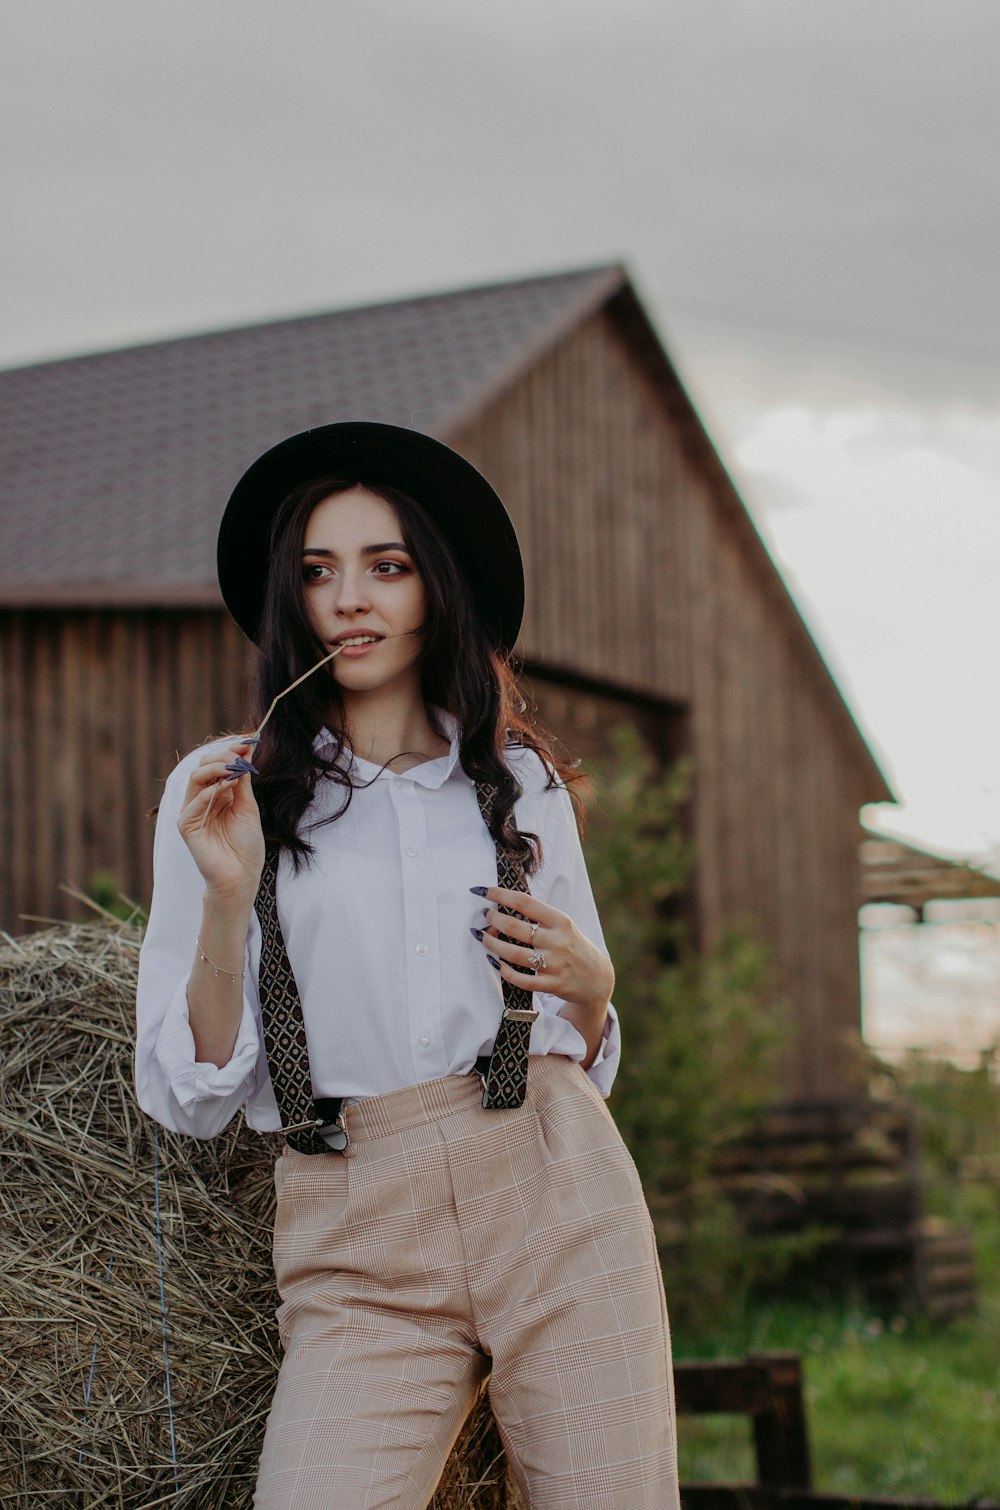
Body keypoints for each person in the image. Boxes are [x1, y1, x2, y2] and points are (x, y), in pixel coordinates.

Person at [135, 423, 679, 1510]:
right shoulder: (223, 788)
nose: (351, 599)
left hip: (554, 1182)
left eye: (386, 566)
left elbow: (581, 1040)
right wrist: (228, 895)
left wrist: (595, 981)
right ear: (291, 600)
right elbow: (191, 1094)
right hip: (355, 1218)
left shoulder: (518, 784)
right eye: (319, 572)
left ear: (435, 588)